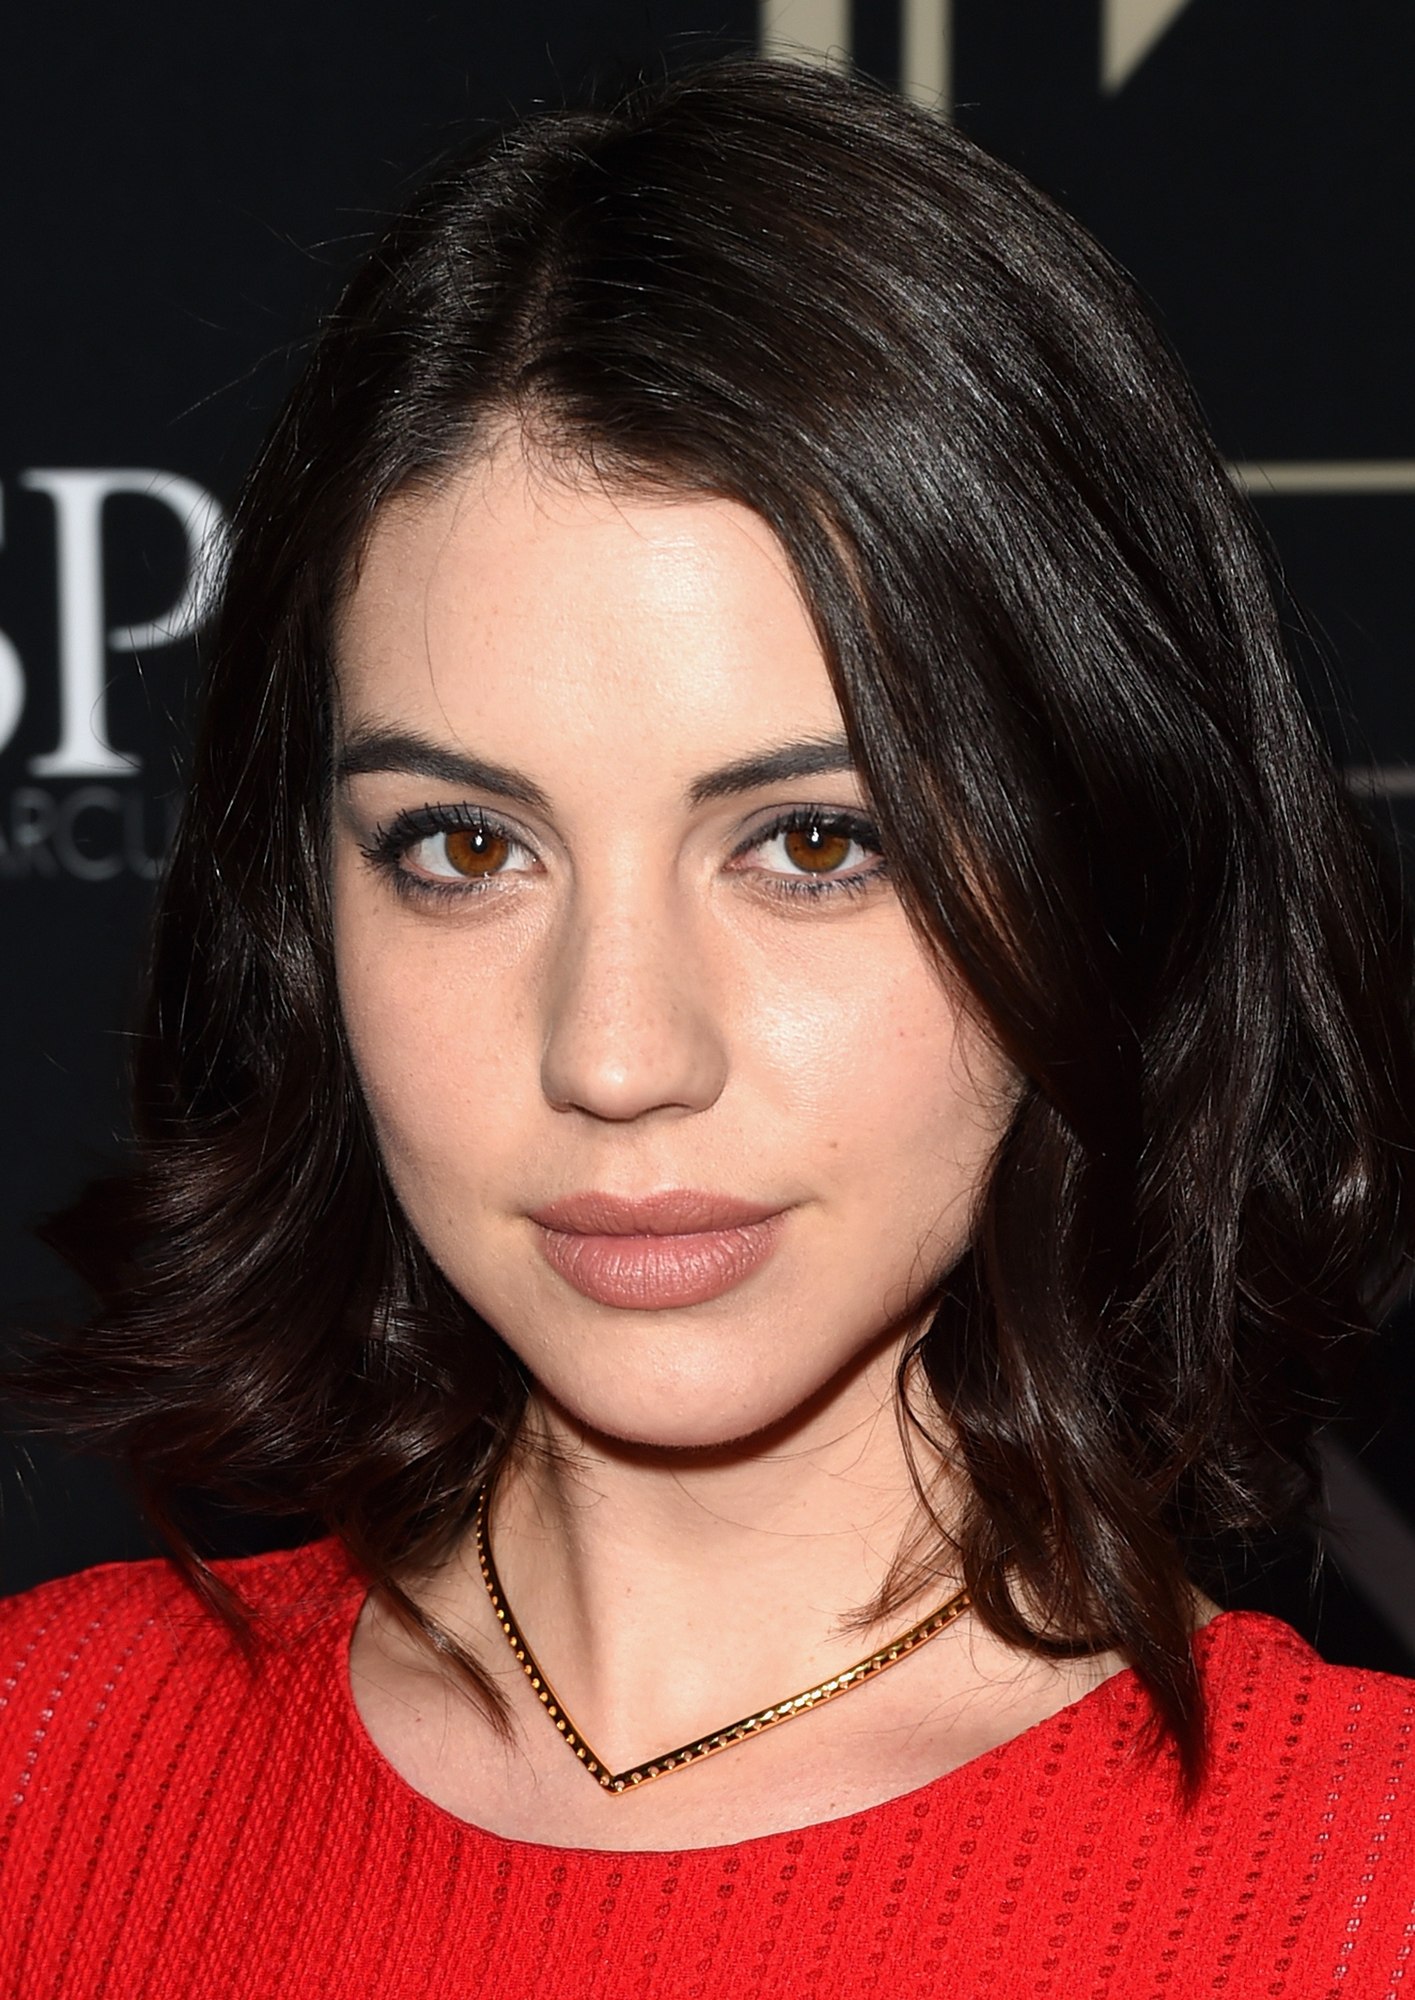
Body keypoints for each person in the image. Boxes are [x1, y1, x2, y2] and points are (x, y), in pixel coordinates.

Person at [2, 53, 1414, 1998]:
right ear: (301, 903)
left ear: (1106, 852)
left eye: (815, 843)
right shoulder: (45, 1775)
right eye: (466, 845)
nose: (616, 1052)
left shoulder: (1361, 1888)